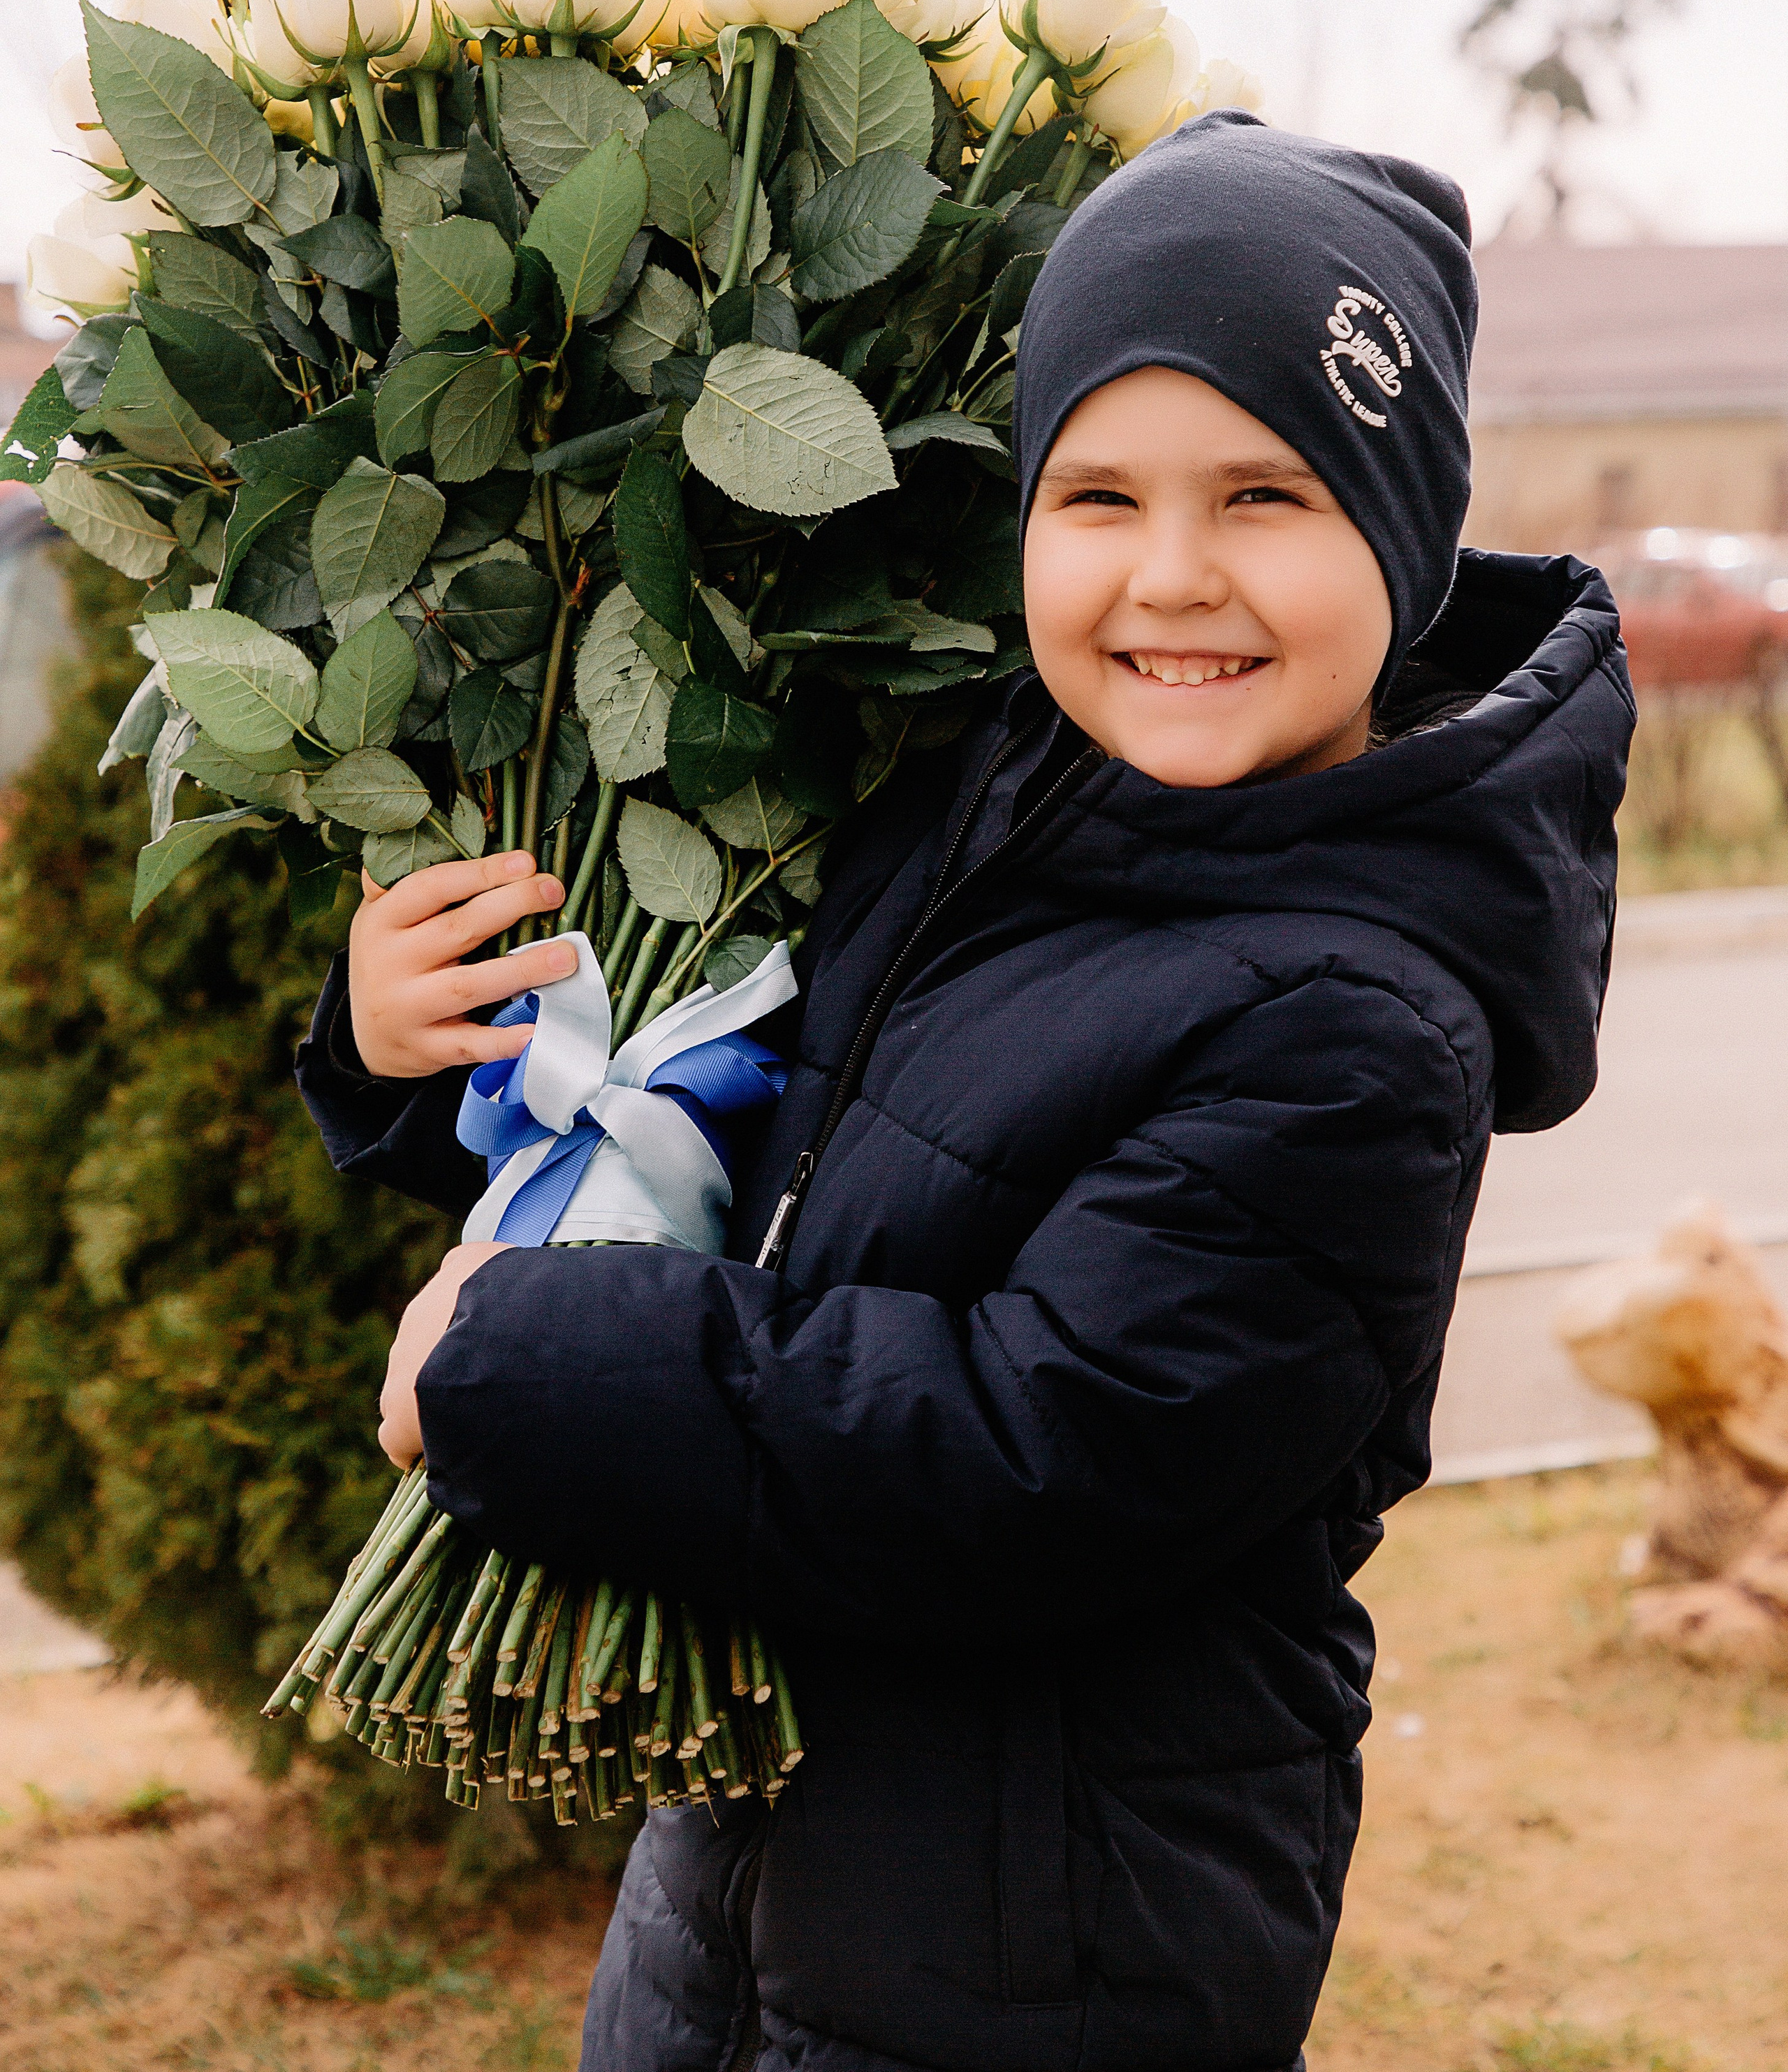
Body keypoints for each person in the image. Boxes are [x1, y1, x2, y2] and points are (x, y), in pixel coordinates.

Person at [298, 110, 1633, 2072]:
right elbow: (743, 1143)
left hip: (1052, 1946)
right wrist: (429, 1054)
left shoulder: (1360, 1022)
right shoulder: (985, 807)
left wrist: (532, 1366)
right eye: (1096, 496)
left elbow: (1035, 1454)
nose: (1172, 576)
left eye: (1266, 497)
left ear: (1405, 539)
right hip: (751, 1866)